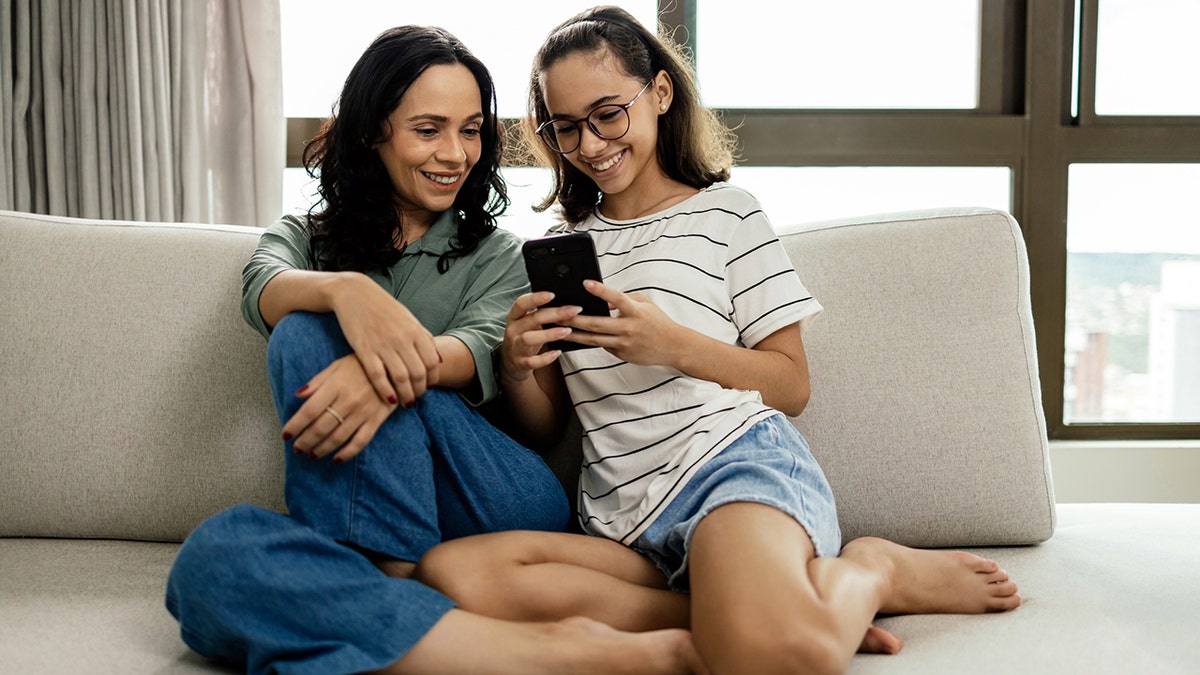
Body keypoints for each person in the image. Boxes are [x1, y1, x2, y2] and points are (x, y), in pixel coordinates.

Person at [412, 7, 1023, 674]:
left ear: (660, 94)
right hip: (625, 523)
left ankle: (870, 570)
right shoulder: (561, 248)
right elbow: (550, 425)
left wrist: (672, 344)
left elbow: (791, 385)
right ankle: (751, 608)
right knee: (452, 575)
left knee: (779, 658)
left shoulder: (727, 214)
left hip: (731, 474)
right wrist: (518, 365)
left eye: (608, 113)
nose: (589, 144)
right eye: (566, 128)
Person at [165, 25, 704, 675]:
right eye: (429, 129)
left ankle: (375, 576)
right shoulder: (308, 239)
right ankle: (496, 636)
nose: (456, 153)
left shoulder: (500, 255)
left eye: (472, 129)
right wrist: (346, 292)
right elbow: (263, 287)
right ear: (373, 131)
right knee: (211, 563)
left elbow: (474, 348)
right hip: (416, 542)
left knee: (307, 334)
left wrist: (380, 368)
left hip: (494, 494)